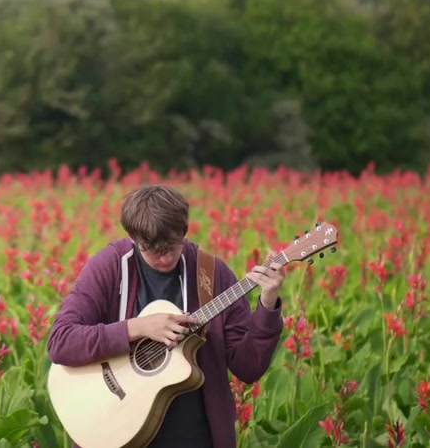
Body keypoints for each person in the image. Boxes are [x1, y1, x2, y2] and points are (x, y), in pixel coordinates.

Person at [46, 184, 286, 448]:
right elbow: (60, 341)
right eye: (151, 249)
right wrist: (137, 328)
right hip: (117, 432)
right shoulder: (111, 265)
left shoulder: (211, 274)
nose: (164, 258)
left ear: (184, 231)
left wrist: (268, 302)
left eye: (172, 246)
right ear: (133, 238)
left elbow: (248, 367)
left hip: (194, 437)